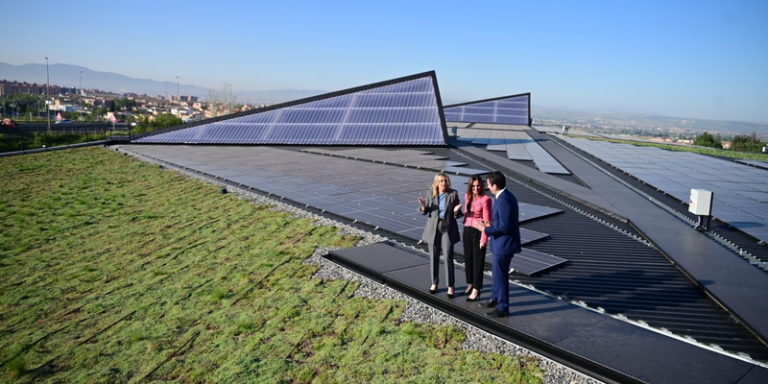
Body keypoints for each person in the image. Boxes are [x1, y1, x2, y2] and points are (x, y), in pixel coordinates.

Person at [471, 171, 521, 318]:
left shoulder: (504, 200)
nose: (487, 187)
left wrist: (485, 229)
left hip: (504, 245)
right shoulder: (504, 197)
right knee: (496, 275)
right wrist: (491, 223)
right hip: (501, 244)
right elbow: (504, 222)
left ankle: (503, 307)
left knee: (500, 276)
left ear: (495, 185)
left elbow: (505, 227)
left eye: (488, 185)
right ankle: (495, 298)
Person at [419, 173, 462, 298]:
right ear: (436, 183)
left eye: (445, 181)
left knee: (448, 256)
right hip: (433, 228)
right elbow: (425, 211)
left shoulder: (453, 194)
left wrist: (457, 211)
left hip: (447, 227)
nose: (444, 183)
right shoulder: (430, 193)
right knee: (434, 256)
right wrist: (423, 206)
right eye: (441, 181)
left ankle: (450, 285)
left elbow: (458, 214)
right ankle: (434, 283)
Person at [462, 175, 492, 302]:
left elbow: (487, 221)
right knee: (468, 259)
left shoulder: (486, 199)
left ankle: (477, 289)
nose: (476, 188)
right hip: (467, 230)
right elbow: (466, 214)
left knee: (478, 261)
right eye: (473, 186)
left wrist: (484, 239)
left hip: (478, 232)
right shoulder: (467, 196)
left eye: (478, 185)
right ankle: (471, 283)